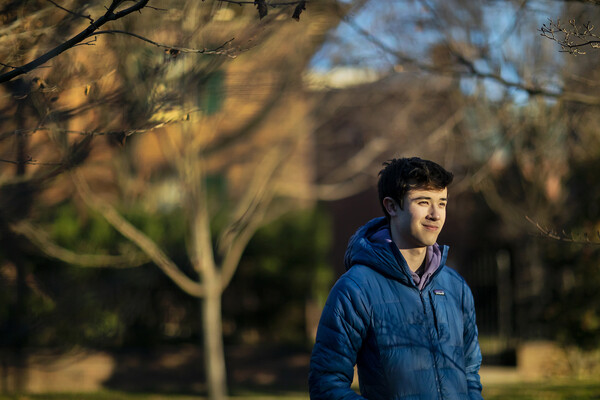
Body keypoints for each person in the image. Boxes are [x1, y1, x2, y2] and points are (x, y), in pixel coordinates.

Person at [309, 157, 483, 400]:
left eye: (441, 203)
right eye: (423, 202)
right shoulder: (355, 289)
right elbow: (326, 384)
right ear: (391, 206)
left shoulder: (456, 287)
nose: (436, 214)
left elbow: (470, 373)